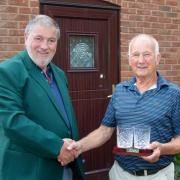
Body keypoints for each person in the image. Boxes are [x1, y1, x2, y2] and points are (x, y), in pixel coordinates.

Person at [66, 34, 180, 180]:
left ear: (157, 58)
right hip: (120, 174)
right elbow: (104, 131)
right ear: (129, 60)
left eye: (147, 55)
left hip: (157, 175)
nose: (141, 61)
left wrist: (163, 149)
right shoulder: (120, 91)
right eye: (136, 55)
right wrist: (79, 146)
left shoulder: (173, 94)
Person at [0, 15, 85, 180]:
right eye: (38, 38)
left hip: (65, 166)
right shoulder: (7, 71)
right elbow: (13, 123)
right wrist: (57, 146)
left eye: (51, 40)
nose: (44, 46)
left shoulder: (59, 74)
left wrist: (71, 148)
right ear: (26, 38)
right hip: (29, 169)